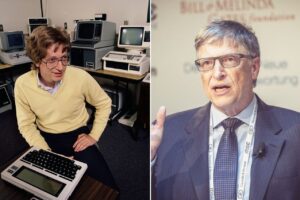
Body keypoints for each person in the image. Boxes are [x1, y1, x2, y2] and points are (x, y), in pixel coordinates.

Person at [151, 20, 300, 200]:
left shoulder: (295, 130)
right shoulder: (167, 133)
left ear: (254, 68)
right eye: (206, 63)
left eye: (229, 60)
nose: (217, 73)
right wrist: (149, 163)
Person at [14, 26, 118, 190]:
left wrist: (94, 136)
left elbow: (104, 103)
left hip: (78, 135)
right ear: (36, 61)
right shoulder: (22, 84)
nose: (61, 67)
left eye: (64, 58)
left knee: (107, 189)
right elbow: (26, 125)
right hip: (46, 138)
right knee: (52, 189)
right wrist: (47, 153)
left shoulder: (80, 77)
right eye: (52, 60)